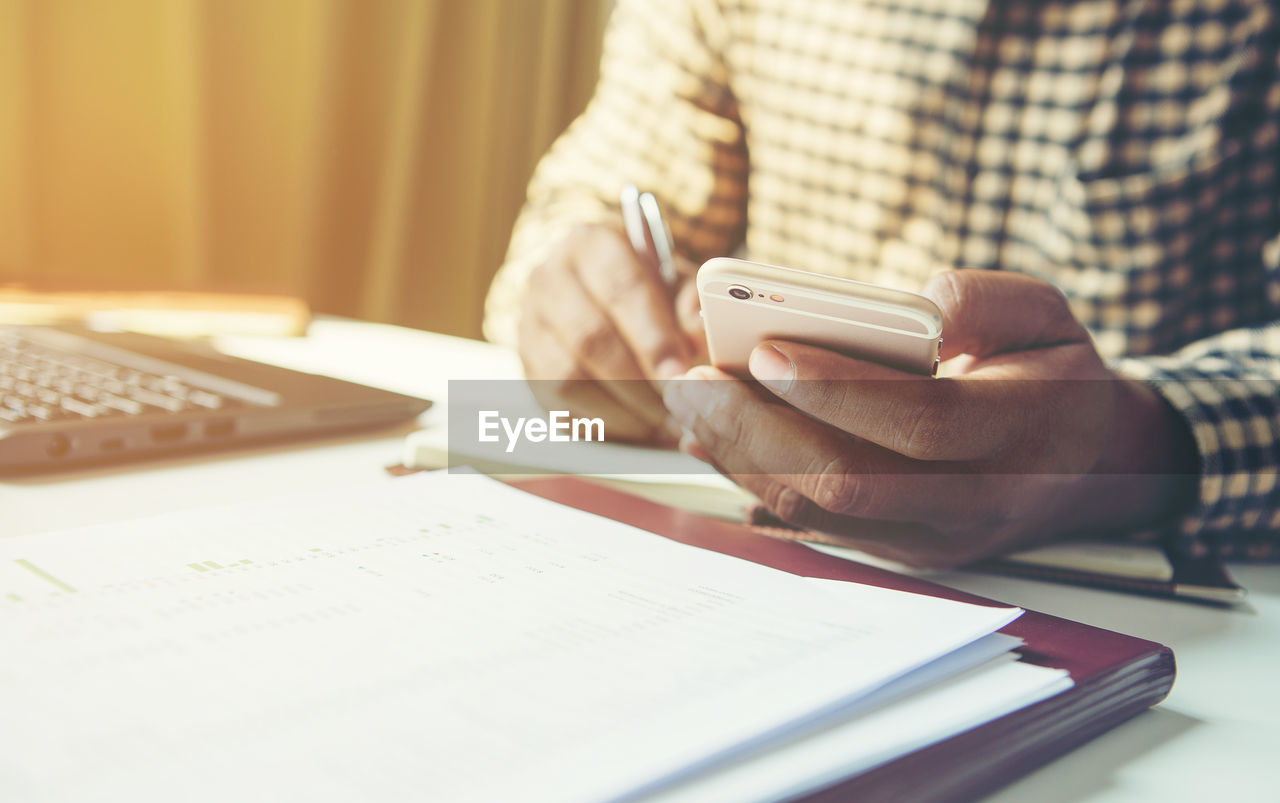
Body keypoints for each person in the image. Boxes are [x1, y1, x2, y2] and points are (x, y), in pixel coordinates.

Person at [484, 0, 1279, 565]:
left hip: (1152, 599)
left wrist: (1133, 443)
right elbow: (597, 194)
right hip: (761, 564)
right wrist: (566, 289)